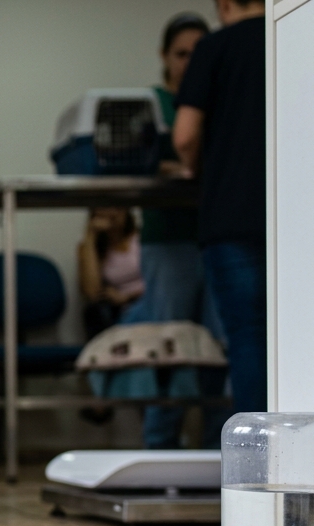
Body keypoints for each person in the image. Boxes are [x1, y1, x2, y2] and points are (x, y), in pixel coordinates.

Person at [131, 12, 228, 448]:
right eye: (181, 54)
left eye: (198, 53)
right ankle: (159, 447)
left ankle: (219, 453)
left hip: (215, 235)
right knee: (168, 351)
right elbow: (137, 162)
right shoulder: (153, 104)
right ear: (164, 58)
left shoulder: (223, 99)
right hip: (168, 238)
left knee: (218, 353)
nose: (190, 62)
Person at [174, 0, 267, 413]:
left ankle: (260, 464)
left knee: (247, 339)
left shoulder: (215, 47)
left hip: (230, 216)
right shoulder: (296, 40)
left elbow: (184, 136)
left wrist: (193, 167)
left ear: (225, 4)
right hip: (294, 218)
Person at [78, 207, 144, 340]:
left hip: (150, 299)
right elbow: (92, 292)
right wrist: (91, 235)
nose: (111, 212)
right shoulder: (91, 249)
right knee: (94, 312)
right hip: (124, 312)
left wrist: (128, 297)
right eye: (105, 207)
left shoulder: (142, 238)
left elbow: (161, 280)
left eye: (116, 207)